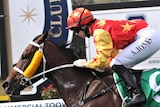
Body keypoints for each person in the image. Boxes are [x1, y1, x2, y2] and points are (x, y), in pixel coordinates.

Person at [67, 7, 160, 107]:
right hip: (149, 36)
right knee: (118, 64)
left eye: (75, 30)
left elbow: (101, 61)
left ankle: (137, 93)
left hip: (148, 37)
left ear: (84, 26)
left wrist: (84, 64)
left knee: (117, 63)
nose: (76, 34)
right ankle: (137, 90)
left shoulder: (99, 33)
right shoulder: (99, 27)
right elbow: (109, 60)